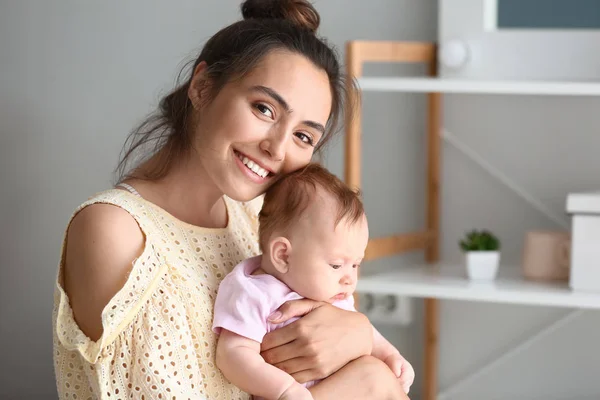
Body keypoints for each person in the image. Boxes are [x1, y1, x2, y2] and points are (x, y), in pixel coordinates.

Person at [52, 0, 411, 399]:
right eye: (264, 108)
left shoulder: (254, 216)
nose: (277, 148)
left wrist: (359, 333)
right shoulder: (117, 230)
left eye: (304, 136)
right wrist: (370, 382)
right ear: (202, 86)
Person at [212, 163, 415, 400]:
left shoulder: (331, 293)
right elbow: (232, 355)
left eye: (356, 264)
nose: (349, 278)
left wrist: (391, 355)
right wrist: (285, 390)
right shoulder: (254, 292)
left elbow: (366, 332)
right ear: (283, 255)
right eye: (336, 265)